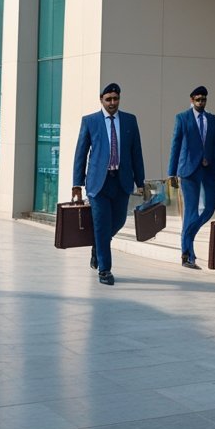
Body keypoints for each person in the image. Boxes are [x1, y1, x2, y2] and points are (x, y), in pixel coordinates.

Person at [72, 82, 146, 285]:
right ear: (101, 100)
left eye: (116, 99)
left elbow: (136, 153)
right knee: (102, 225)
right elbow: (81, 153)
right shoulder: (90, 121)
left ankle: (98, 245)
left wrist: (141, 181)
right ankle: (105, 270)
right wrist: (77, 183)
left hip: (121, 181)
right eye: (108, 99)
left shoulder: (130, 121)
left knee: (119, 221)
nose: (113, 103)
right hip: (98, 183)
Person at [167, 85, 215, 269]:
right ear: (191, 100)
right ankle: (187, 254)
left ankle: (187, 236)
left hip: (210, 170)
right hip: (188, 170)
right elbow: (175, 146)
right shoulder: (182, 118)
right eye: (198, 99)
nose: (201, 102)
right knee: (191, 211)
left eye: (204, 99)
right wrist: (172, 172)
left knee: (209, 209)